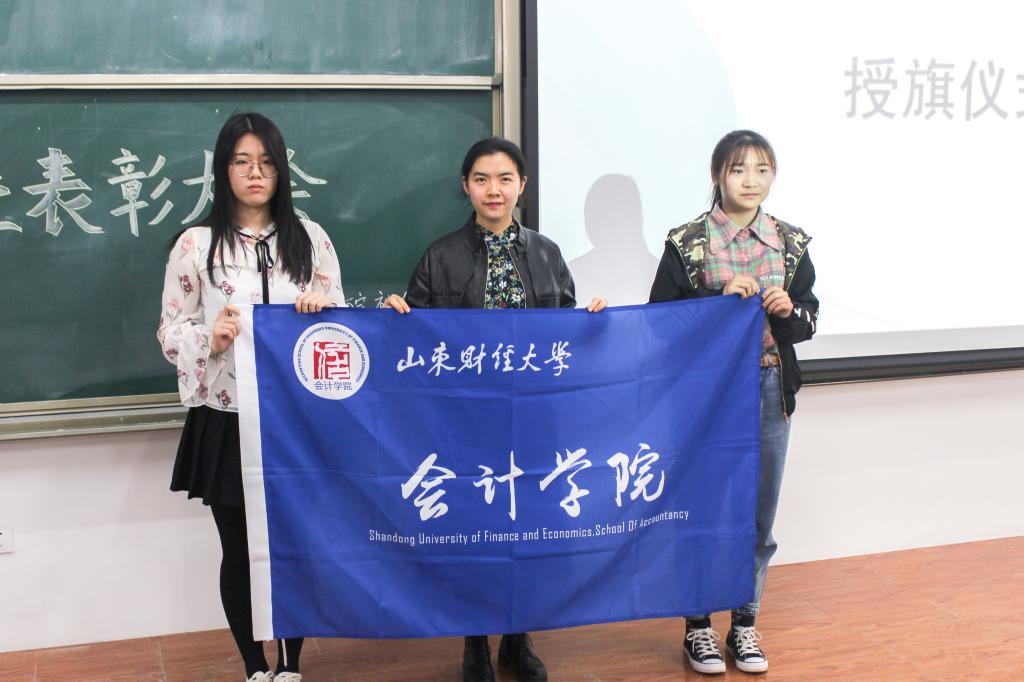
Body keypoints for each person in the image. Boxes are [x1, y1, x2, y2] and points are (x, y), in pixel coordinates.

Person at [384, 137, 607, 682]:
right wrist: (396, 315)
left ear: (521, 186)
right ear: (466, 186)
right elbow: (417, 344)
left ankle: (517, 638)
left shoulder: (547, 254)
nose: (494, 189)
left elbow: (564, 336)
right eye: (481, 178)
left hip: (533, 420)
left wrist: (594, 320)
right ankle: (474, 643)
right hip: (466, 420)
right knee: (472, 528)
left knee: (527, 527)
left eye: (505, 178)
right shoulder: (440, 255)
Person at [158, 112, 345, 682]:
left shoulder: (311, 239)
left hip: (298, 419)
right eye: (242, 162)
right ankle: (253, 665)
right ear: (223, 170)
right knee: (239, 548)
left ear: (282, 170)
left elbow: (341, 329)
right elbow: (170, 331)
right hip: (228, 417)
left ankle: (290, 663)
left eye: (266, 162)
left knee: (296, 543)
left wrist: (321, 309)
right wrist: (208, 338)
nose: (255, 173)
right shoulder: (195, 244)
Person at [649, 130, 818, 675]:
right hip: (706, 395)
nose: (751, 181)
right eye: (739, 169)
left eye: (762, 170)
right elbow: (660, 324)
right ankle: (697, 628)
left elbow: (808, 320)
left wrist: (788, 311)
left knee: (758, 516)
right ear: (717, 175)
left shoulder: (790, 243)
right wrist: (715, 303)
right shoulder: (687, 243)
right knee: (701, 510)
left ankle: (744, 624)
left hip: (769, 387)